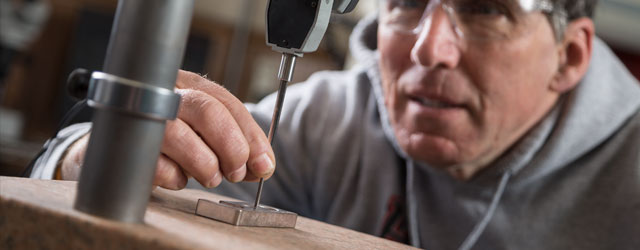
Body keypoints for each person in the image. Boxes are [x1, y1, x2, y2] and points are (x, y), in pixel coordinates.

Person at [31, 0, 640, 249]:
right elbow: (67, 170)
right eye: (405, 3)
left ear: (571, 56)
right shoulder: (331, 117)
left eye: (484, 10)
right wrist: (94, 155)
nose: (430, 49)